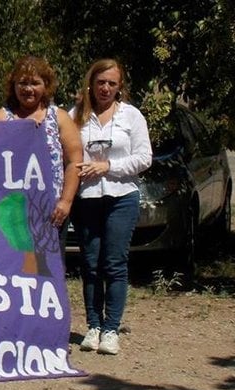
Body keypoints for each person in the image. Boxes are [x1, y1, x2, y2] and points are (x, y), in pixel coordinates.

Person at [71, 59, 152, 355]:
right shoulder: (76, 115)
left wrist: (108, 166)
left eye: (112, 84)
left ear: (120, 87)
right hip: (87, 198)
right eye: (101, 82)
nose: (105, 88)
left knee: (114, 263)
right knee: (90, 263)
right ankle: (93, 326)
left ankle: (111, 329)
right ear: (91, 83)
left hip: (122, 196)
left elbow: (144, 158)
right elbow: (62, 148)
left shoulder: (131, 116)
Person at [0, 56, 82, 229]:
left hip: (52, 214)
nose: (28, 89)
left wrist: (66, 201)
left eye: (35, 83)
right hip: (10, 214)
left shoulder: (60, 117)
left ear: (46, 85)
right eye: (22, 83)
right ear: (13, 85)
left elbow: (74, 162)